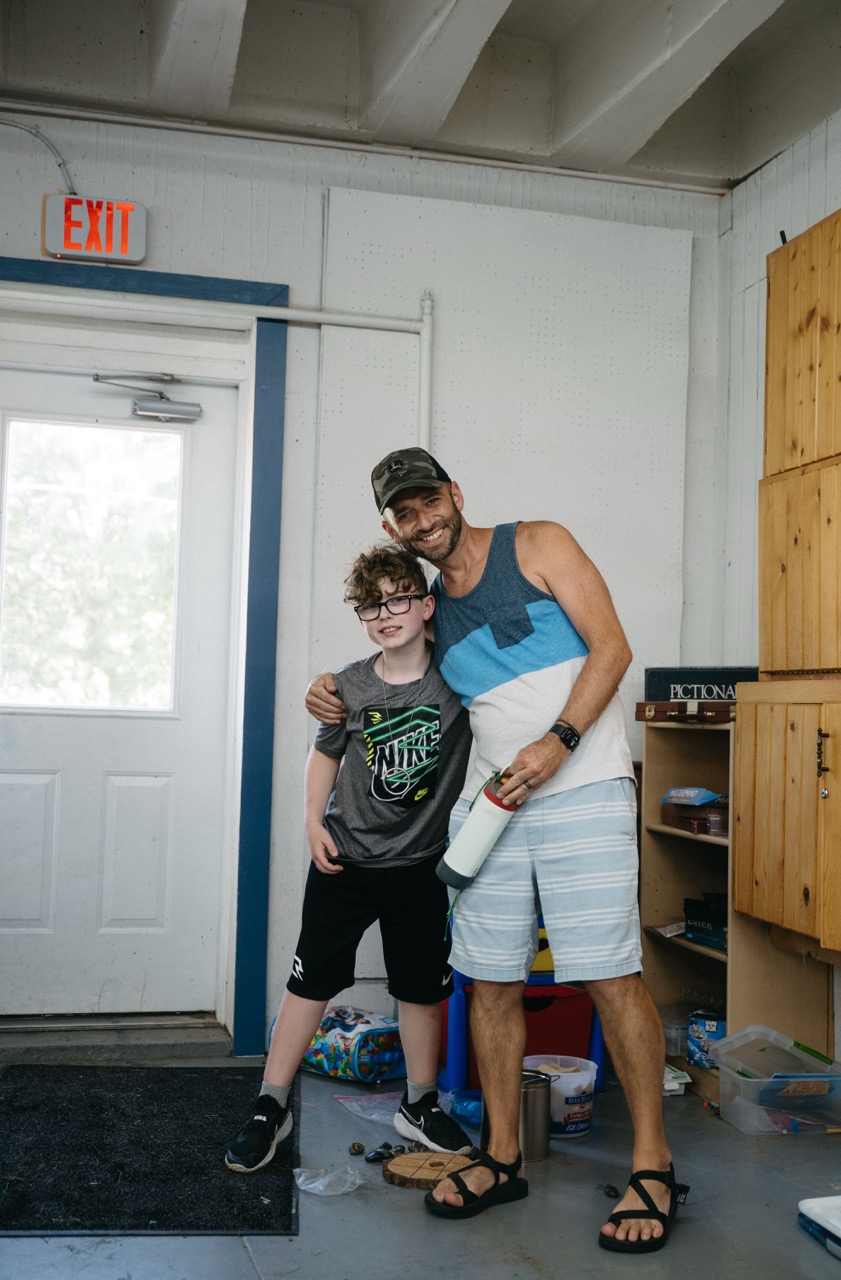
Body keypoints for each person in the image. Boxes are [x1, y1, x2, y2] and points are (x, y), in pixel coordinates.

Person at [305, 447, 688, 1253]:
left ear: (455, 493)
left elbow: (612, 650)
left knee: (608, 973)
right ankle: (503, 1157)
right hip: (493, 809)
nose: (422, 521)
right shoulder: (431, 611)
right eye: (404, 514)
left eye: (428, 501)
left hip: (581, 787)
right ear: (392, 527)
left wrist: (557, 743)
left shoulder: (538, 543)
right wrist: (327, 691)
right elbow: (391, 666)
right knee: (487, 979)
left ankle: (652, 1165)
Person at [226, 541, 473, 1173]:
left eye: (398, 600)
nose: (385, 614)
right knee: (311, 978)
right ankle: (270, 1106)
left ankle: (419, 1103)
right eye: (370, 606)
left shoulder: (459, 679)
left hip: (420, 862)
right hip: (346, 860)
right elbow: (326, 754)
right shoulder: (348, 685)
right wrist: (311, 821)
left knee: (421, 984)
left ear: (425, 605)